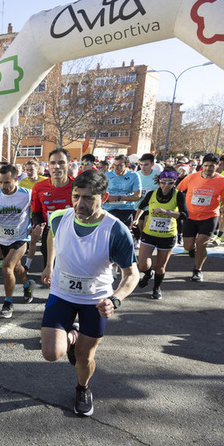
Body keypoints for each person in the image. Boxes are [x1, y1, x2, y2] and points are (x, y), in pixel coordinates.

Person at [40, 170, 139, 417]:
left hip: (96, 301)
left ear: (103, 197)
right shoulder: (59, 218)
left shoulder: (116, 230)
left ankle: (83, 388)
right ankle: (72, 336)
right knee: (51, 353)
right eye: (76, 196)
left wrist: (115, 299)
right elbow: (53, 236)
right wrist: (49, 263)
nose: (79, 204)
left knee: (84, 358)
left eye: (87, 198)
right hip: (61, 293)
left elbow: (131, 275)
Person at [0, 164, 32, 318]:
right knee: (16, 269)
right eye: (1, 182)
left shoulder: (27, 195)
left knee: (7, 267)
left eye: (7, 182)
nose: (3, 186)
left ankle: (8, 302)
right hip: (3, 239)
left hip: (21, 238)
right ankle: (27, 285)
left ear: (16, 180)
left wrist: (37, 226)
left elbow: (37, 211)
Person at [177, 153, 224, 283]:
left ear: (217, 166)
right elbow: (178, 191)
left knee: (201, 244)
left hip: (209, 216)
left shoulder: (222, 180)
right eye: (206, 165)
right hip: (190, 216)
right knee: (188, 246)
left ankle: (197, 270)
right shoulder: (191, 177)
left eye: (212, 166)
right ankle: (193, 250)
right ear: (202, 165)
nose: (208, 169)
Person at [132, 169, 187, 299]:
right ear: (159, 182)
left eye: (169, 183)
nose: (165, 185)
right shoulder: (152, 194)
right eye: (163, 182)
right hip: (149, 233)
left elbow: (184, 215)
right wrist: (136, 219)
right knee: (143, 264)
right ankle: (147, 274)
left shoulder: (179, 195)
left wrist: (167, 212)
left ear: (174, 183)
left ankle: (156, 288)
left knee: (160, 266)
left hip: (167, 236)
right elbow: (141, 206)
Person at [27, 149, 75, 282]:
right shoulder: (39, 187)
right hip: (49, 234)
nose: (56, 166)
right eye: (53, 163)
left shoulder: (77, 185)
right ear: (48, 165)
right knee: (50, 270)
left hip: (73, 234)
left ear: (69, 165)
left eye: (61, 162)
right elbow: (36, 212)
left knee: (70, 272)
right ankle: (53, 296)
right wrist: (37, 226)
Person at [103, 155, 141, 226]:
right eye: (115, 165)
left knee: (122, 234)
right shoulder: (107, 175)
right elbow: (101, 192)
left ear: (127, 165)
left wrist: (117, 198)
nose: (116, 168)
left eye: (120, 165)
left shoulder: (134, 175)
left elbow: (137, 196)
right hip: (109, 209)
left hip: (126, 209)